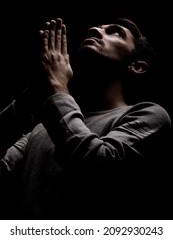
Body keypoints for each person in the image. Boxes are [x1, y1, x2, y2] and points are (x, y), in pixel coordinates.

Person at [0, 17, 171, 220]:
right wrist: (33, 93)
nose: (95, 29)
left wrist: (57, 87)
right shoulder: (43, 128)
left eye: (115, 32)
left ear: (137, 66)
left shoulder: (150, 115)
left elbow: (96, 168)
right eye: (98, 27)